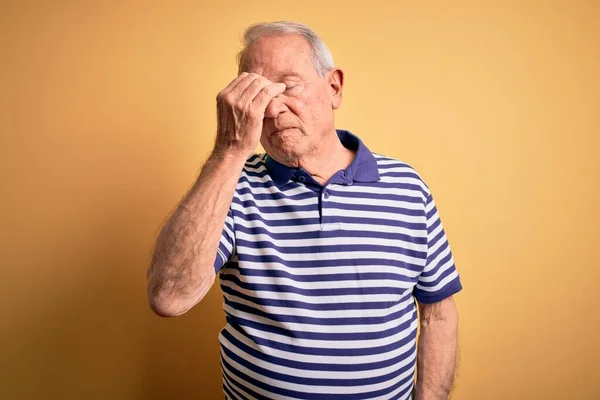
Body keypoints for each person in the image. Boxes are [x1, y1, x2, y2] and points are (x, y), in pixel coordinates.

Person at [147, 21, 462, 400]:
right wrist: (228, 151)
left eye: (287, 86)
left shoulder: (407, 186)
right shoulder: (228, 188)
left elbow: (438, 314)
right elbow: (169, 296)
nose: (273, 108)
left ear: (334, 88)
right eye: (257, 95)